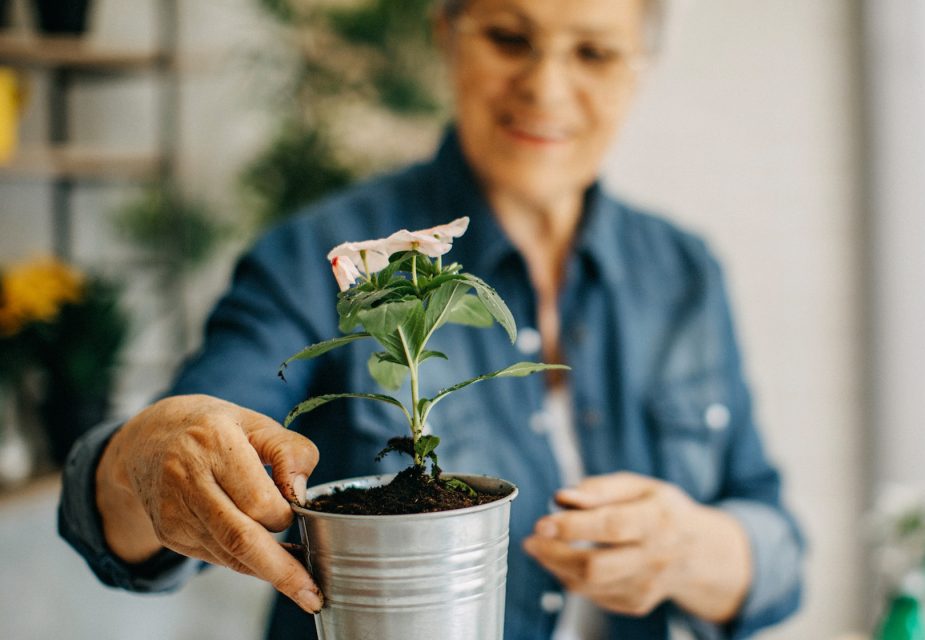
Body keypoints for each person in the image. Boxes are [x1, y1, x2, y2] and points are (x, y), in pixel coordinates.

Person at [58, 0, 804, 638]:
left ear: (640, 63)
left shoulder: (683, 273)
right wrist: (143, 457)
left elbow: (779, 549)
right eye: (510, 38)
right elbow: (185, 454)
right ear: (446, 35)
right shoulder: (330, 259)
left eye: (596, 52)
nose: (546, 86)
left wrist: (697, 549)